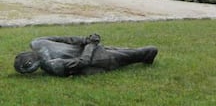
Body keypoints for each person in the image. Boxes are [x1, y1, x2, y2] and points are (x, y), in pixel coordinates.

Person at [14, 34, 158, 77]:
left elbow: (65, 39)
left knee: (128, 51)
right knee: (141, 52)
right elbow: (83, 62)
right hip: (99, 60)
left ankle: (146, 56)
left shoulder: (37, 42)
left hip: (93, 48)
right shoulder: (53, 66)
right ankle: (148, 55)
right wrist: (90, 45)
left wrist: (85, 40)